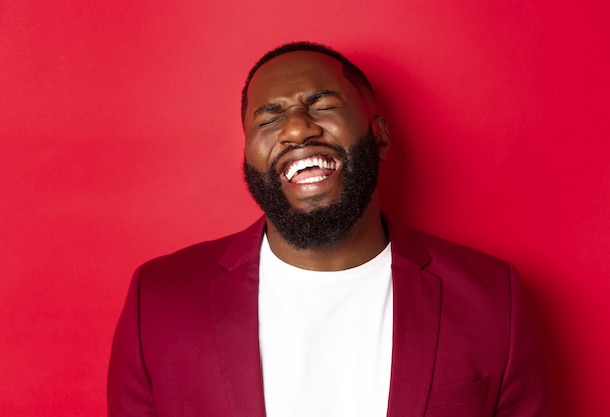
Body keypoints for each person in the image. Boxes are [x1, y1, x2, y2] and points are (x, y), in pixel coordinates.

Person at [107, 41, 549, 417]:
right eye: (268, 118)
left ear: (380, 137)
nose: (297, 128)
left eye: (322, 105)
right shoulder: (159, 300)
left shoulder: (493, 300)